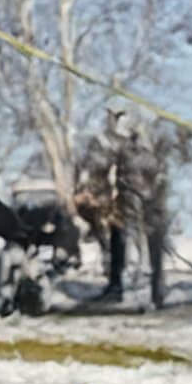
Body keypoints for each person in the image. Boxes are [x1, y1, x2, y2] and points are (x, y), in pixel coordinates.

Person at [77, 107, 171, 309]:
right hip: (137, 200)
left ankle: (136, 291)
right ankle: (139, 290)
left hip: (136, 200)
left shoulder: (128, 146)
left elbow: (103, 166)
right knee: (130, 242)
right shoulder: (141, 146)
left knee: (131, 243)